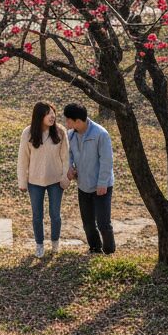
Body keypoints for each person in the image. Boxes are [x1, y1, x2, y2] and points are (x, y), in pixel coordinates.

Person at [17, 101, 70, 258]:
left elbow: (66, 158)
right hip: (35, 181)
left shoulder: (60, 132)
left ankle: (55, 243)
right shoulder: (28, 133)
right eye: (48, 113)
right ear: (39, 116)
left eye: (53, 112)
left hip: (56, 181)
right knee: (37, 215)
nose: (52, 116)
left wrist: (65, 178)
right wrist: (22, 181)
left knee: (55, 214)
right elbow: (22, 160)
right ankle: (39, 245)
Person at [62, 102, 116, 255]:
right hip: (83, 185)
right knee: (88, 223)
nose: (66, 123)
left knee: (103, 222)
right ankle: (94, 248)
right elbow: (69, 154)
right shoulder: (71, 135)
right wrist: (70, 167)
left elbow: (107, 160)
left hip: (102, 186)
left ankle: (109, 251)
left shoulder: (100, 134)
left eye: (68, 120)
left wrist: (102, 183)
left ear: (78, 121)